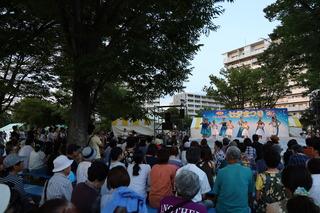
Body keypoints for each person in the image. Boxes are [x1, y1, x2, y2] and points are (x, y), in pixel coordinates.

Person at [213, 146, 254, 213]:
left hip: (222, 210)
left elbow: (216, 193)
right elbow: (250, 193)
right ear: (239, 157)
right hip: (242, 210)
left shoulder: (221, 172)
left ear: (226, 157)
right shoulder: (248, 171)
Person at [255, 147, 286, 213]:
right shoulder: (283, 175)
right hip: (280, 208)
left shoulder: (261, 176)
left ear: (265, 162)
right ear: (279, 162)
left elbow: (257, 196)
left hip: (265, 208)